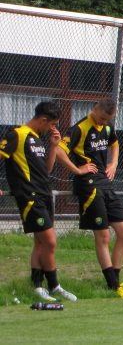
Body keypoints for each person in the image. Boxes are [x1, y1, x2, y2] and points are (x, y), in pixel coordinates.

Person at [0, 101, 92, 302]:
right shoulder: (18, 135)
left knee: (41, 243)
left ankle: (37, 286)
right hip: (29, 197)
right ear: (43, 120)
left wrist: (53, 146)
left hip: (44, 194)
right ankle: (54, 285)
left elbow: (47, 170)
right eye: (52, 124)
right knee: (50, 241)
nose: (53, 128)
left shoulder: (38, 140)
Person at [55, 98, 123, 298]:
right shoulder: (79, 128)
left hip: (105, 183)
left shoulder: (107, 128)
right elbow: (58, 150)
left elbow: (115, 143)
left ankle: (115, 281)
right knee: (103, 236)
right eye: (100, 118)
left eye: (106, 120)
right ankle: (114, 285)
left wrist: (114, 163)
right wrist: (77, 169)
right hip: (88, 185)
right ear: (94, 109)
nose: (102, 122)